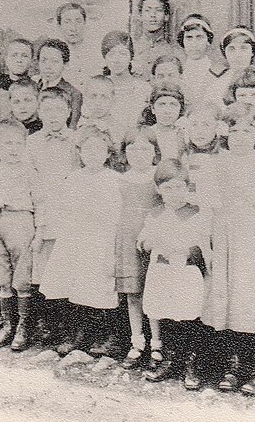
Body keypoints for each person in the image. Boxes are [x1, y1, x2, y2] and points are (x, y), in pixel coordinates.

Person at [198, 107, 255, 396]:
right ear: (225, 133)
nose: (239, 137)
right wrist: (207, 248)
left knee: (254, 301)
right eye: (233, 131)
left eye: (246, 131)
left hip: (254, 239)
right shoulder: (214, 165)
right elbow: (207, 210)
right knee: (229, 301)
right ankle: (233, 366)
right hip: (224, 239)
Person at [40, 127, 123, 356]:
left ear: (108, 153)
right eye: (88, 150)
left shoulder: (116, 180)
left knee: (100, 286)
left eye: (100, 150)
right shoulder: (74, 178)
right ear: (80, 153)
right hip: (76, 238)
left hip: (103, 238)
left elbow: (118, 214)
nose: (94, 154)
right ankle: (78, 334)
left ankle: (105, 336)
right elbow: (63, 209)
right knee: (74, 284)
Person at [139, 159, 208, 390]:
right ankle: (171, 359)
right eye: (167, 187)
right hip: (162, 270)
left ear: (187, 187)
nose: (173, 193)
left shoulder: (196, 213)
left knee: (188, 316)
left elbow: (204, 245)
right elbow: (143, 240)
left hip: (186, 272)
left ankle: (192, 363)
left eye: (179, 187)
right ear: (158, 189)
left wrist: (186, 251)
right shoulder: (155, 214)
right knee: (166, 313)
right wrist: (149, 243)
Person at [27, 88, 81, 342]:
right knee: (43, 267)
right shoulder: (32, 142)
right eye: (47, 110)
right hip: (44, 210)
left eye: (59, 109)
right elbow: (30, 178)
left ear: (69, 112)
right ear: (39, 112)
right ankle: (46, 323)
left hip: (70, 210)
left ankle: (70, 326)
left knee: (68, 266)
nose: (53, 115)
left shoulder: (77, 140)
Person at [0, 120, 37, 351]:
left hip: (21, 221)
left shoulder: (30, 171)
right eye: (7, 144)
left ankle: (24, 328)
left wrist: (39, 231)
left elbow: (41, 203)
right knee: (3, 277)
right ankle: (7, 325)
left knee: (22, 278)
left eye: (18, 144)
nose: (13, 148)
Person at [116, 133, 160, 370]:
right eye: (133, 150)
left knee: (153, 291)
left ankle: (158, 343)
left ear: (154, 152)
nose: (139, 155)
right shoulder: (121, 180)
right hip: (127, 239)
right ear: (125, 153)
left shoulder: (158, 177)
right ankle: (137, 341)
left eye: (145, 150)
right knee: (134, 294)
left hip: (154, 239)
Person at [101, 31, 152, 134]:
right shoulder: (98, 86)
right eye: (111, 54)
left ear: (131, 56)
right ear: (105, 57)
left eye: (122, 54)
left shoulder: (144, 89)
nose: (117, 60)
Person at [176, 14, 225, 109]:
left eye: (199, 37)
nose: (194, 44)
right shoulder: (177, 72)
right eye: (189, 38)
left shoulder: (218, 72)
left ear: (208, 41)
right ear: (182, 41)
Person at [36, 38, 83, 129]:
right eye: (44, 60)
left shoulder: (73, 94)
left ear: (65, 64)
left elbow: (72, 127)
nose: (48, 67)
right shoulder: (34, 87)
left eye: (54, 61)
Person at [132, 0, 179, 78]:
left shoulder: (173, 52)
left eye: (158, 10)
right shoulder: (131, 50)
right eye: (147, 10)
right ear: (140, 15)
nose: (153, 15)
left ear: (166, 16)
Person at [140, 81, 187, 163]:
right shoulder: (145, 135)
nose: (167, 111)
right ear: (153, 109)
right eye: (162, 104)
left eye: (173, 104)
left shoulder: (185, 134)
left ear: (180, 109)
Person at [56, 3, 101, 87]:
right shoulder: (54, 53)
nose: (73, 28)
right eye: (67, 22)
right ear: (59, 26)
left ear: (85, 23)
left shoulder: (96, 53)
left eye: (78, 21)